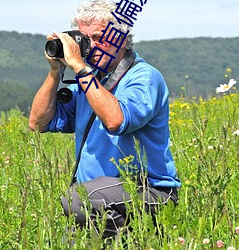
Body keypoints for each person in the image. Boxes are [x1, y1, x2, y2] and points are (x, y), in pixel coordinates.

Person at [29, 0, 181, 244]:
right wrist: (55, 70)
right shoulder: (89, 81)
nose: (90, 46)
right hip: (99, 198)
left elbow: (116, 121)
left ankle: (135, 241)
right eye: (84, 38)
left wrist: (80, 68)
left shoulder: (143, 77)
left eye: (98, 37)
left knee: (77, 200)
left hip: (149, 192)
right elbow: (38, 123)